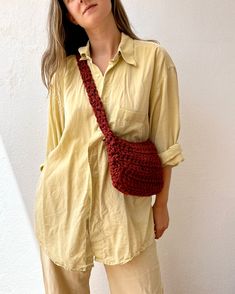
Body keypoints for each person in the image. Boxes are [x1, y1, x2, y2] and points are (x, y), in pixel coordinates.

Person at [34, 0, 184, 293]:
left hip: (126, 216)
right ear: (70, 17)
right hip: (62, 209)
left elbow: (166, 144)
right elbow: (53, 149)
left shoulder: (153, 60)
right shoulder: (63, 73)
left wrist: (162, 204)